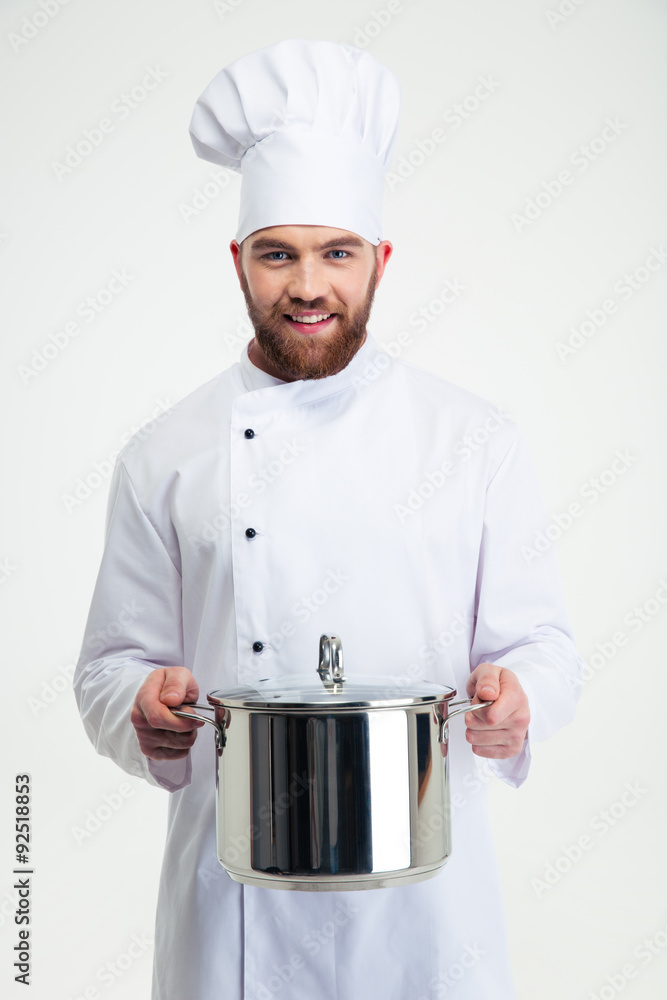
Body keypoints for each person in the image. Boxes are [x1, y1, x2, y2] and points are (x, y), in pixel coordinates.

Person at [74, 39, 583, 1000]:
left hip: (424, 910)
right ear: (237, 262)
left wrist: (520, 699)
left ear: (380, 261)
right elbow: (109, 665)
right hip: (234, 905)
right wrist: (138, 705)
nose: (307, 286)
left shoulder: (473, 439)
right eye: (278, 254)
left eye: (336, 253)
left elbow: (544, 646)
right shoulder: (163, 453)